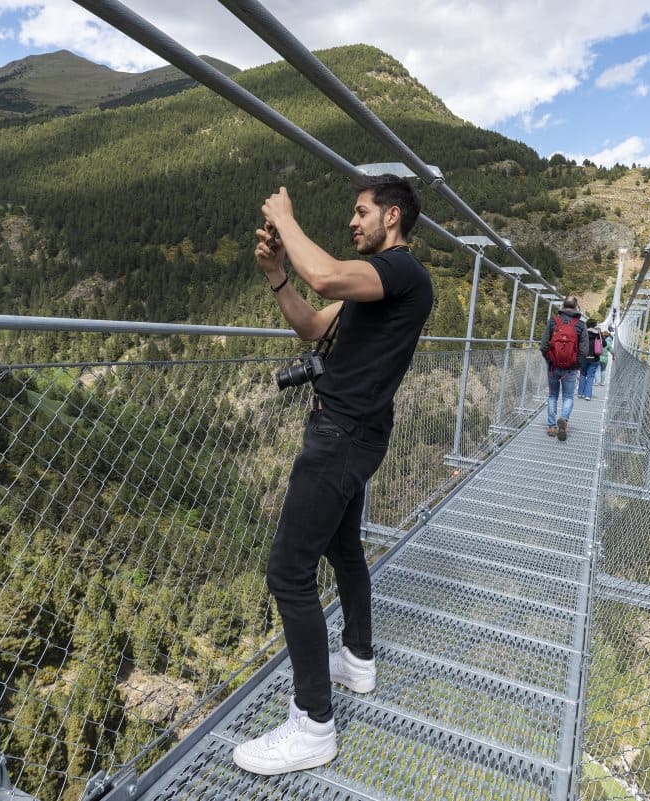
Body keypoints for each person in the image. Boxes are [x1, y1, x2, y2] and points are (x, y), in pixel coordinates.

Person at [233, 175, 433, 775]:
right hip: (353, 434)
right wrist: (276, 279)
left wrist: (286, 218)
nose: (352, 221)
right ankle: (357, 660)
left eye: (360, 211)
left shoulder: (402, 272)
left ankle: (313, 724)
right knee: (344, 550)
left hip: (340, 438)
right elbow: (315, 326)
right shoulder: (373, 287)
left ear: (391, 217)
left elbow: (324, 275)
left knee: (288, 573)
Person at [540, 296, 588, 441]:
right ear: (576, 307)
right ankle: (564, 419)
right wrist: (576, 365)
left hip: (554, 367)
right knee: (568, 396)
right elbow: (584, 350)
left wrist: (551, 360)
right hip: (570, 369)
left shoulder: (553, 321)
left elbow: (543, 346)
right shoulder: (580, 325)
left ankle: (552, 426)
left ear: (562, 306)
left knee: (553, 395)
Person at [577, 318, 603, 400]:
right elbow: (604, 344)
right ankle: (588, 395)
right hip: (594, 358)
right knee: (591, 376)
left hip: (584, 357)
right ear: (595, 325)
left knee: (582, 374)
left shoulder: (583, 332)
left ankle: (580, 393)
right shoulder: (598, 333)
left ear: (587, 324)